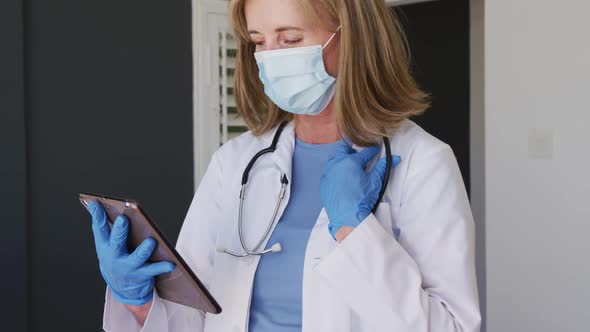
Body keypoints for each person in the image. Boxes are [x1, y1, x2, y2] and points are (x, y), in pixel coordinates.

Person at [87, 0, 481, 331]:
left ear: (352, 37)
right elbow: (192, 318)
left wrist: (355, 233)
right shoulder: (235, 162)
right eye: (259, 41)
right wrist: (138, 300)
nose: (270, 59)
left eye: (290, 39)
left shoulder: (422, 162)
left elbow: (453, 326)